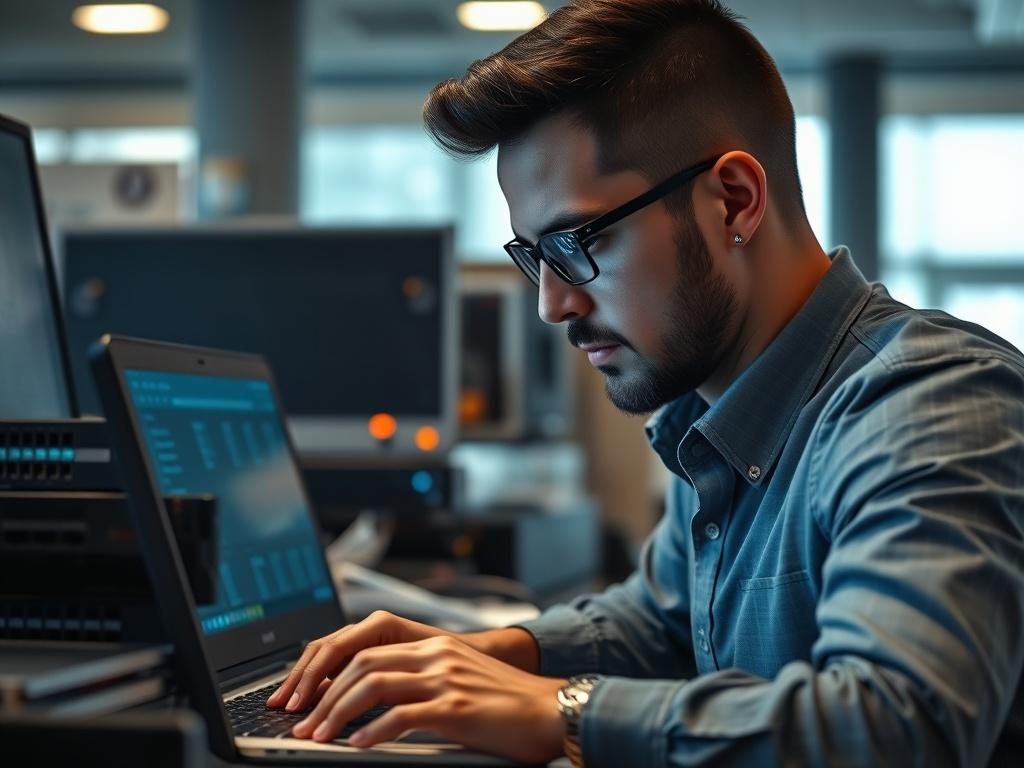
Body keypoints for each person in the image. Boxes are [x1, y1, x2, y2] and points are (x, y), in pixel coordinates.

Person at [267, 1, 1024, 765]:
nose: (552, 303)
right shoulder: (722, 409)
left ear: (734, 200)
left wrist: (556, 708)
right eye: (535, 255)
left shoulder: (928, 405)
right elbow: (665, 620)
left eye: (574, 243)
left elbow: (900, 727)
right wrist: (481, 654)